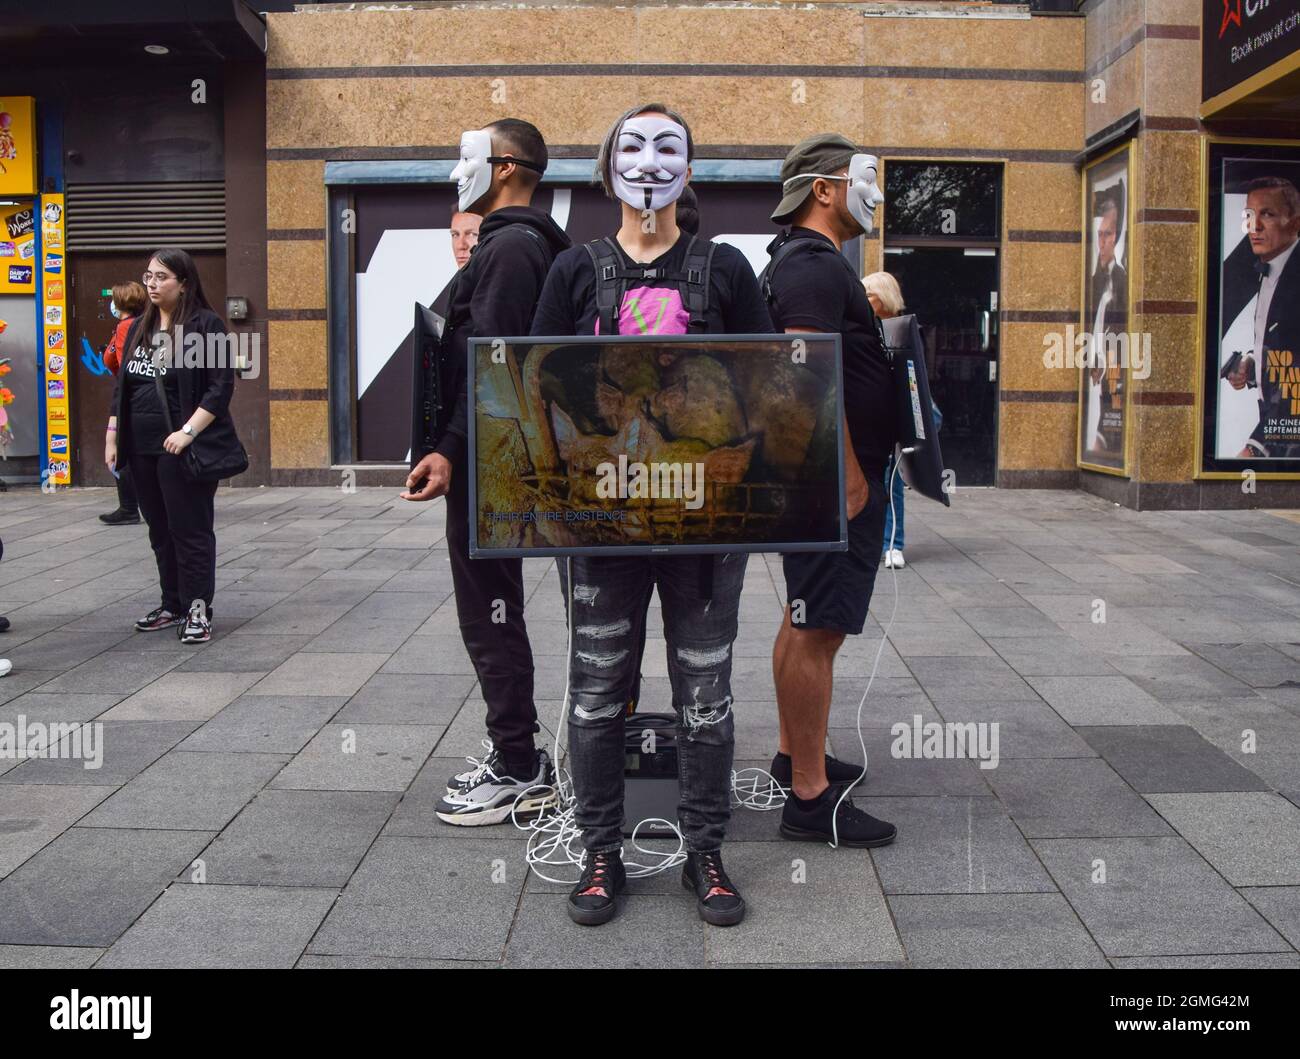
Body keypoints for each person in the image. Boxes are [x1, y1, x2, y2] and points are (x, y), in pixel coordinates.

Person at [531, 103, 774, 928]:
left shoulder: (727, 269)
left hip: (706, 532)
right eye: (631, 147)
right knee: (599, 691)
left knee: (706, 691)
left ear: (689, 169)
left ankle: (704, 851)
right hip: (601, 529)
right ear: (608, 169)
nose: (648, 161)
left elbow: (770, 386)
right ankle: (602, 850)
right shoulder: (573, 272)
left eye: (667, 146)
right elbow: (534, 384)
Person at [403, 119, 571, 826]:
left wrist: (446, 447)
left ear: (505, 169)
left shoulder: (508, 250)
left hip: (492, 466)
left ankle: (518, 767)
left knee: (490, 610)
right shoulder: (529, 245)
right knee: (497, 607)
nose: (455, 172)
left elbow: (496, 365)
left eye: (464, 158)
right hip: (504, 460)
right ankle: (521, 756)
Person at [760, 133, 898, 850]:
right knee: (818, 628)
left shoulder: (812, 264)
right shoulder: (813, 267)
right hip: (831, 482)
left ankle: (795, 755)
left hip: (821, 478)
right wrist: (845, 469)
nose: (873, 193)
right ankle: (810, 799)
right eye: (862, 179)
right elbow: (804, 370)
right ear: (824, 189)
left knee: (807, 617)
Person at [105, 248, 244, 644]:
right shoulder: (137, 327)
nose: (151, 283)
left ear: (183, 283)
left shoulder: (205, 325)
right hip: (141, 446)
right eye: (148, 276)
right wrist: (114, 435)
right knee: (160, 530)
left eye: (161, 277)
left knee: (190, 529)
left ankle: (198, 607)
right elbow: (123, 387)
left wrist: (189, 431)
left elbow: (221, 386)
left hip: (182, 447)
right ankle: (172, 604)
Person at [1226, 176, 1300, 459]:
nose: (1254, 226)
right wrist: (1251, 361)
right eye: (1249, 215)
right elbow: (1288, 342)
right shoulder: (1271, 266)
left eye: (1267, 214)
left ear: (1295, 223)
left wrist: (1257, 448)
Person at [864, 272, 908, 569]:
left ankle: (894, 543)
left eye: (870, 295)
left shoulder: (899, 331)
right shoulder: (867, 329)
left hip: (891, 415)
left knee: (891, 482)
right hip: (872, 417)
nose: (864, 300)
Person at [99, 281, 147, 526]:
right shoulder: (149, 323)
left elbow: (115, 361)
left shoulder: (124, 327)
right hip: (148, 395)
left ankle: (128, 507)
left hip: (128, 394)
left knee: (120, 447)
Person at [1084, 190, 1127, 455]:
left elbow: (1120, 332)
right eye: (1100, 234)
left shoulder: (1122, 281)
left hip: (1117, 370)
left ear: (1118, 237)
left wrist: (1106, 360)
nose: (1102, 242)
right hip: (1101, 370)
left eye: (1108, 234)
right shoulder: (1096, 280)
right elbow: (1097, 327)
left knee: (1104, 437)